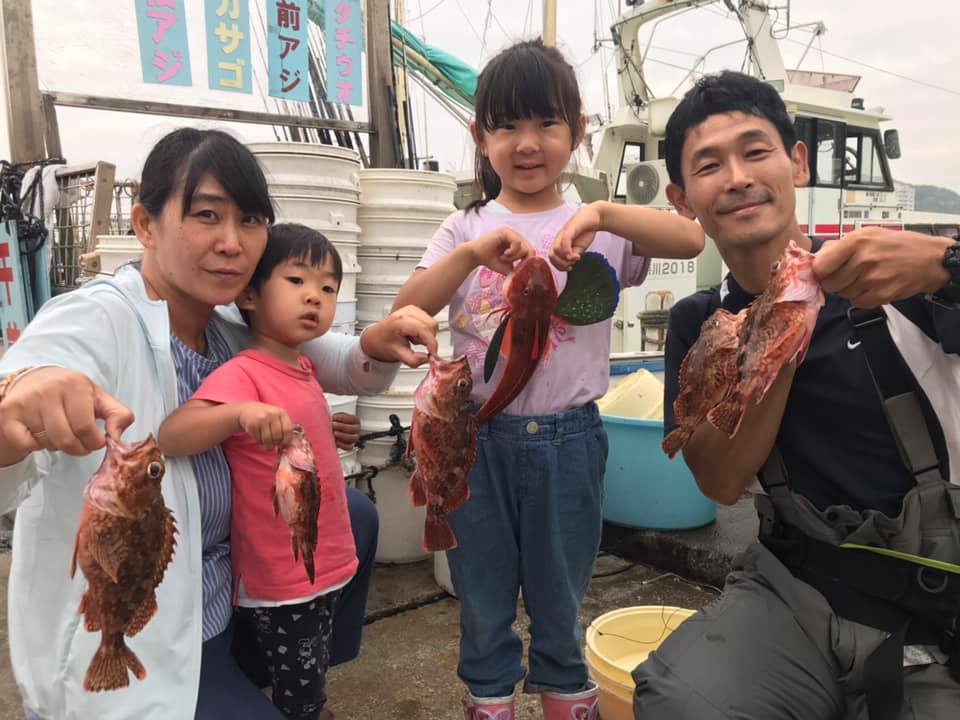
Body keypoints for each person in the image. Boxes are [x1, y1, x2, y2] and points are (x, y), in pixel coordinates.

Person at [0, 128, 439, 720]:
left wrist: (378, 344)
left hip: (228, 592)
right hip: (149, 623)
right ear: (145, 224)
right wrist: (21, 394)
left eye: (252, 221)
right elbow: (35, 369)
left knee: (355, 514)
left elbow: (325, 355)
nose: (233, 244)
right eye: (207, 215)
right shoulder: (97, 315)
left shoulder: (226, 323)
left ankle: (289, 677)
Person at [632, 70, 960, 720]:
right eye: (709, 165)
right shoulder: (701, 324)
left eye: (755, 151)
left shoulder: (897, 277)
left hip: (934, 599)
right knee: (682, 699)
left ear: (797, 163)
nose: (736, 176)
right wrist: (776, 333)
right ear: (682, 197)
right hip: (795, 585)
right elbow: (722, 483)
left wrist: (945, 266)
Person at [392, 39, 704, 720]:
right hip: (474, 439)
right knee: (482, 598)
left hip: (571, 442)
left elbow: (690, 239)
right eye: (506, 126)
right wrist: (473, 253)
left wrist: (600, 213)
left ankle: (567, 698)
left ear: (578, 132)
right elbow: (406, 307)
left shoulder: (599, 227)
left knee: (560, 598)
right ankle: (491, 701)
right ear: (479, 138)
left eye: (545, 124)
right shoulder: (463, 225)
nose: (527, 143)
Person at [158, 223, 358, 720]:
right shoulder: (242, 373)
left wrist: (326, 430)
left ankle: (309, 703)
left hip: (322, 561)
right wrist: (237, 414)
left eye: (328, 288)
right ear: (248, 293)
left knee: (310, 661)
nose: (314, 297)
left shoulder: (302, 367)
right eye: (296, 282)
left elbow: (284, 441)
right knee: (297, 678)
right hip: (281, 578)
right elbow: (173, 434)